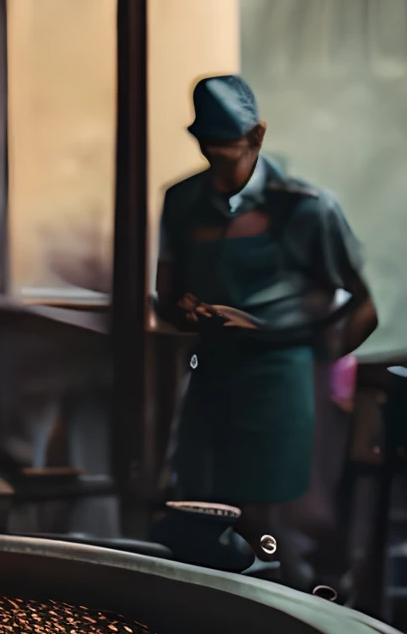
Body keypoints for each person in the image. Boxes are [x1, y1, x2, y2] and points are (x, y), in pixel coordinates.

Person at [156, 74, 377, 563]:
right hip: (211, 374)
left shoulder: (306, 208)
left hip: (282, 380)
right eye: (207, 146)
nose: (217, 159)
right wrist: (185, 309)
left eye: (228, 148)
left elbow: (363, 304)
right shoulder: (182, 203)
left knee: (277, 521)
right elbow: (166, 295)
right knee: (204, 511)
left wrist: (310, 356)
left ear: (257, 136)